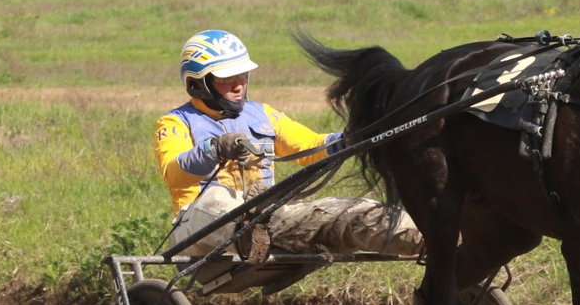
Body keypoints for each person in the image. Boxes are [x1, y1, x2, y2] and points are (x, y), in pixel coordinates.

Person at [155, 30, 420, 266]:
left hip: (270, 219)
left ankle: (427, 237)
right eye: (227, 80)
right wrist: (214, 148)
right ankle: (252, 227)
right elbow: (174, 172)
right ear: (198, 83)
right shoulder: (175, 123)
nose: (238, 85)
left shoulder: (263, 115)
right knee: (216, 199)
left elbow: (310, 148)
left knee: (353, 211)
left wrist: (350, 138)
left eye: (242, 76)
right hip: (196, 228)